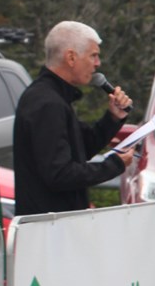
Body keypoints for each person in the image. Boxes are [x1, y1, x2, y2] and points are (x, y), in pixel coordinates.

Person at [13, 21, 133, 216]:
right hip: (49, 226)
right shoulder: (47, 103)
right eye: (93, 55)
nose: (97, 63)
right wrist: (114, 165)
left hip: (56, 223)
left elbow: (81, 148)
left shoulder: (53, 98)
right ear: (71, 57)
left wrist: (113, 118)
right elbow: (60, 174)